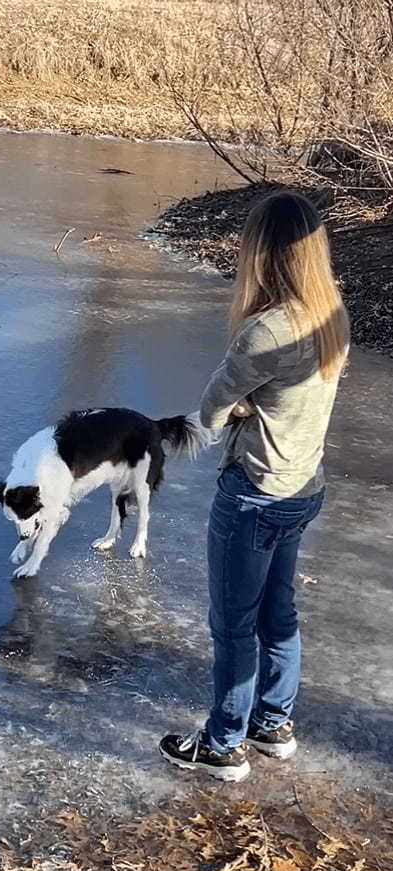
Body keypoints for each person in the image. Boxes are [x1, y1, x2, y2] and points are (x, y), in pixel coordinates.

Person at [159, 191, 350, 782]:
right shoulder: (330, 314)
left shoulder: (266, 330)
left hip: (255, 492)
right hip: (302, 489)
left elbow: (211, 411)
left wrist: (239, 409)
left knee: (235, 623)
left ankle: (223, 745)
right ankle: (274, 723)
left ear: (261, 254)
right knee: (278, 611)